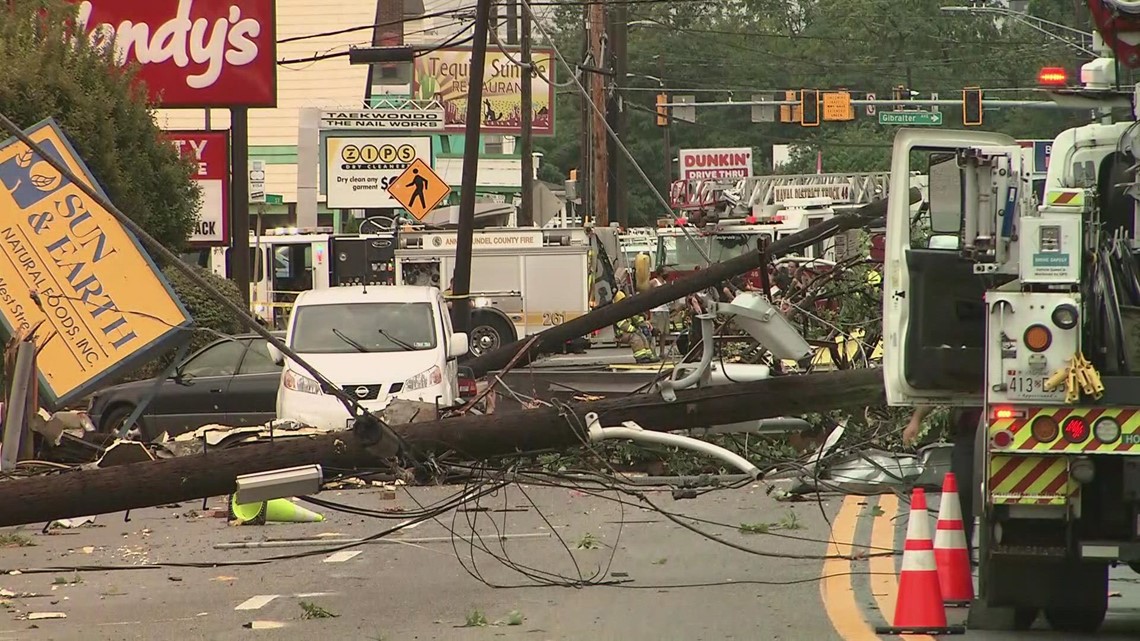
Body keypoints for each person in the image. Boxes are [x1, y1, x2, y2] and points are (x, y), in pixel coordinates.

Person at [904, 404, 983, 560]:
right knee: (961, 494)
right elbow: (936, 387)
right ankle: (961, 556)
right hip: (968, 434)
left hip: (1011, 427)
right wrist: (916, 420)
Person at [613, 291, 657, 363]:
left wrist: (644, 325)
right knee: (636, 338)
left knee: (644, 335)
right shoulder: (617, 312)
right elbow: (623, 325)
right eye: (622, 300)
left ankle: (648, 355)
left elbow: (636, 319)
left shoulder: (626, 310)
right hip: (622, 334)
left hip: (630, 331)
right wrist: (634, 330)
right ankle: (640, 357)